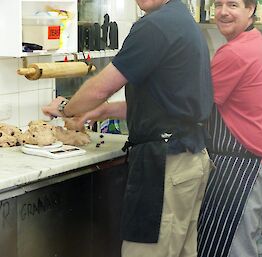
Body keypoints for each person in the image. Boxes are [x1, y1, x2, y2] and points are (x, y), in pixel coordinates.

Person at [43, 0, 214, 256]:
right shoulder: (183, 22)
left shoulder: (155, 26)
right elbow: (167, 103)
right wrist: (102, 110)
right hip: (187, 159)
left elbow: (103, 87)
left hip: (165, 165)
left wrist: (66, 108)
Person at [197, 0, 262, 256]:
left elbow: (198, 105)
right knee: (244, 246)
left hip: (241, 170)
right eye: (217, 4)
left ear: (251, 9)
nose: (222, 12)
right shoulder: (254, 41)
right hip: (246, 166)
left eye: (232, 4)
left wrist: (110, 108)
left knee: (235, 250)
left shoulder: (236, 52)